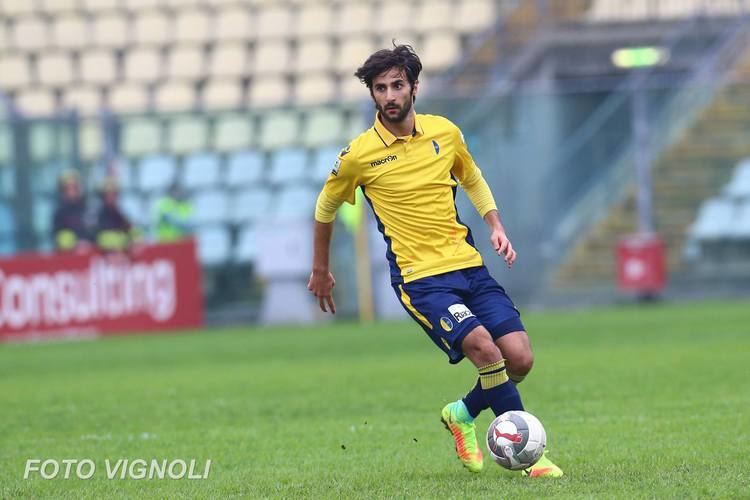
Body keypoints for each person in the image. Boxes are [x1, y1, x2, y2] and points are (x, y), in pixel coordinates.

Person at [308, 44, 563, 478]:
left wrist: (495, 224)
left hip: (468, 266)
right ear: (372, 95)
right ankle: (529, 460)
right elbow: (325, 207)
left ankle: (462, 413)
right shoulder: (358, 156)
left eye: (397, 85)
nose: (389, 95)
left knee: (518, 358)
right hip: (422, 280)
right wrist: (320, 269)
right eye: (380, 88)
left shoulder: (445, 133)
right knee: (485, 349)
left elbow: (472, 176)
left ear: (414, 87)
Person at [52, 169, 93, 252]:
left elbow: (96, 232)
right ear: (62, 191)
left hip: (92, 259)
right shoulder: (60, 214)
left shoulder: (89, 209)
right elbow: (60, 238)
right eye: (68, 188)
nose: (72, 191)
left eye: (74, 187)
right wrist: (77, 244)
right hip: (70, 259)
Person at [95, 177, 138, 252]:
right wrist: (124, 240)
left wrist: (135, 239)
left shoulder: (120, 213)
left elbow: (131, 231)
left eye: (114, 194)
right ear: (103, 196)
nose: (112, 197)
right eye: (108, 194)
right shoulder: (99, 215)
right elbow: (101, 238)